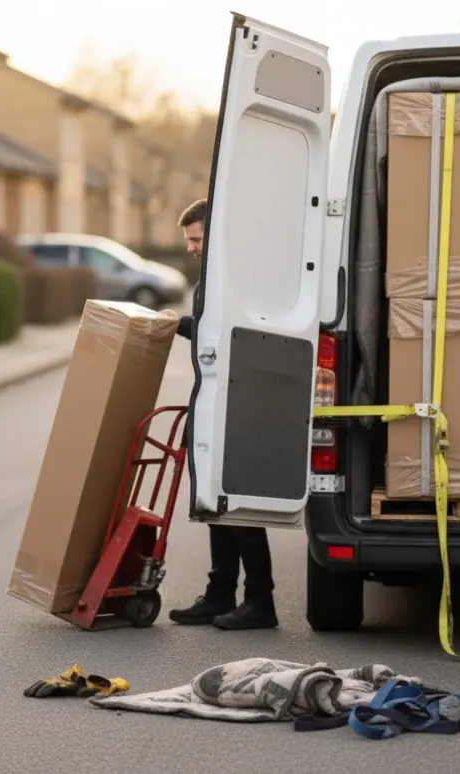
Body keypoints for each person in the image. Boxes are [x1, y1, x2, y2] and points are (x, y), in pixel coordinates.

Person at [166, 198, 279, 631]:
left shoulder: (237, 279)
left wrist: (180, 324)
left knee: (237, 503)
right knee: (214, 502)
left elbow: (228, 336)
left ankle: (260, 601)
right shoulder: (215, 278)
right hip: (218, 400)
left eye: (196, 239)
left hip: (242, 403)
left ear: (214, 233)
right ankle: (219, 594)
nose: (192, 247)